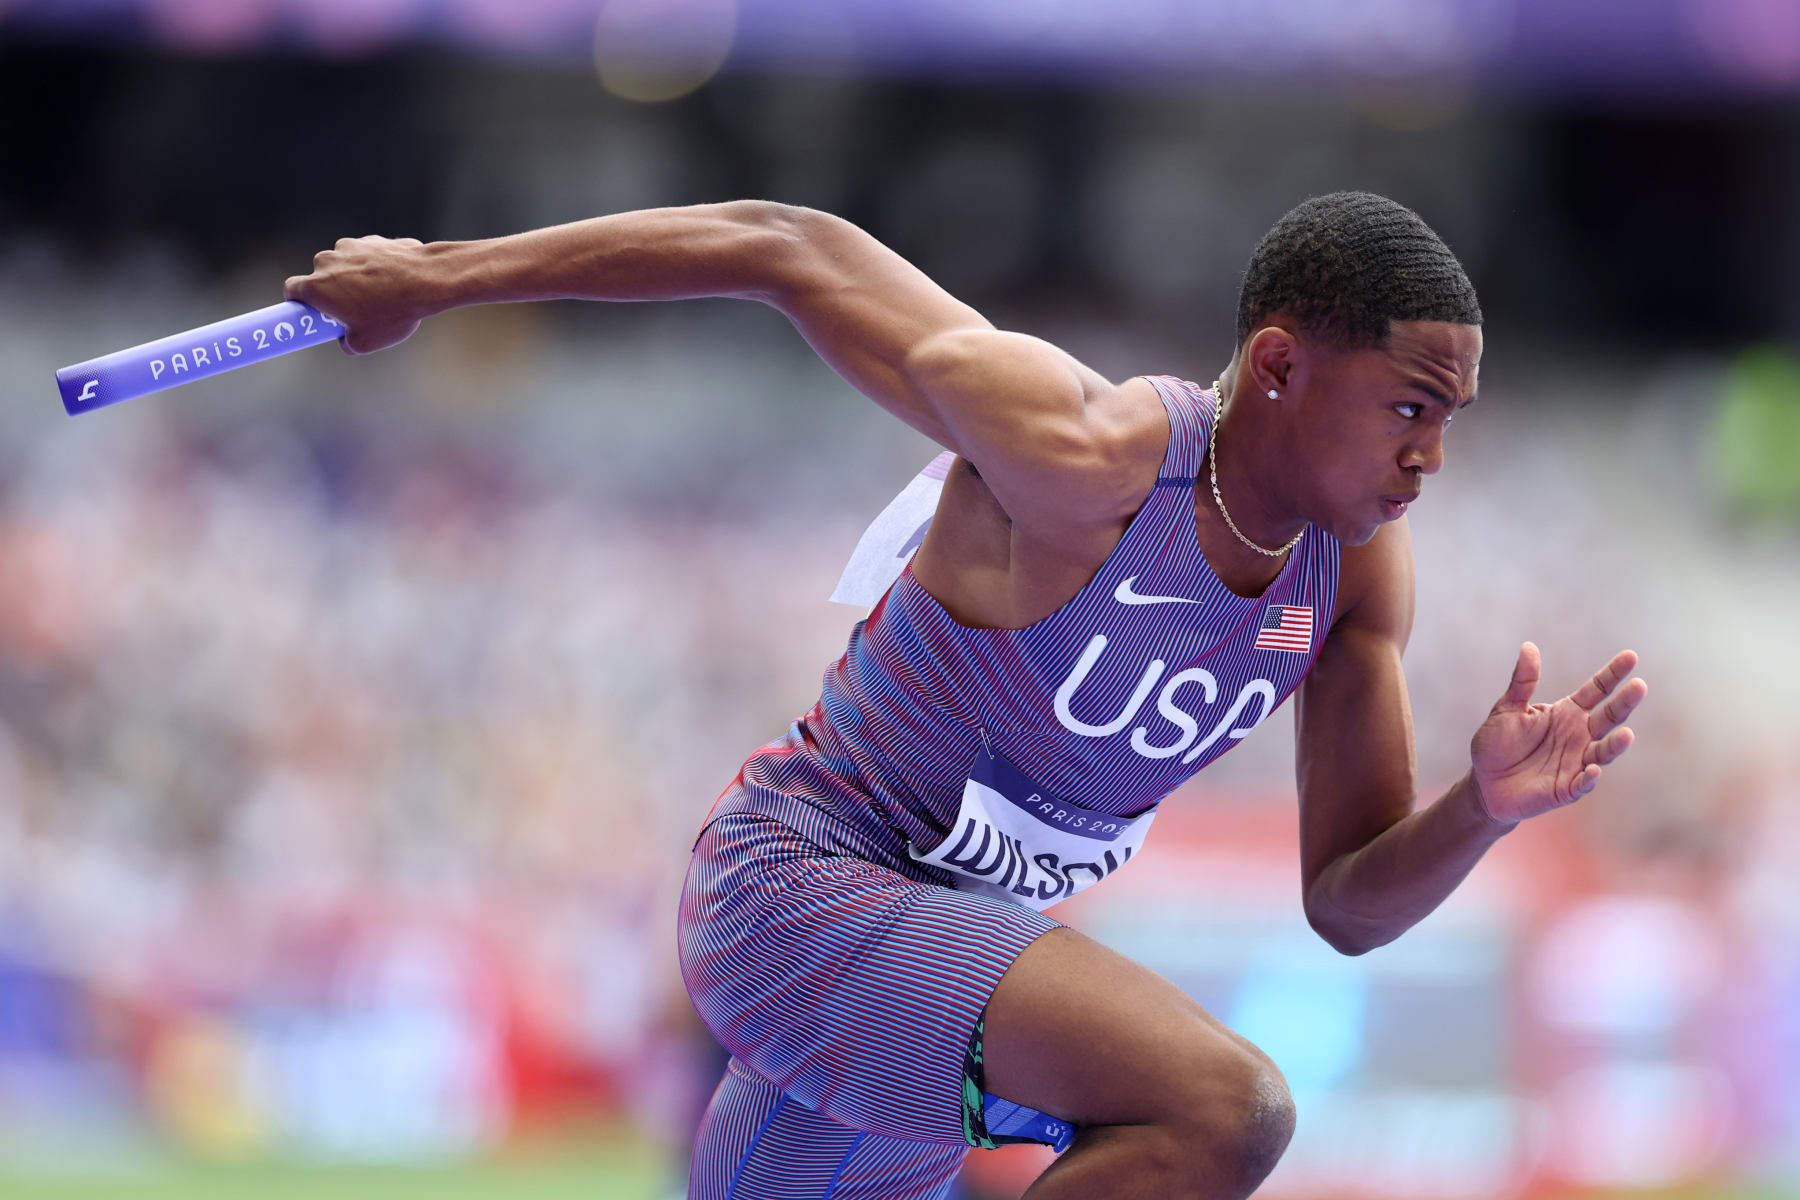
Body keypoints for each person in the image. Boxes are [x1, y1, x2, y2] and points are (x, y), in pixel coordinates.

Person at [285, 190, 1648, 1200]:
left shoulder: (1353, 577)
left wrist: (1479, 809)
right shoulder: (1090, 454)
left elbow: (1346, 899)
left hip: (929, 976)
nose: (1432, 458)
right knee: (1226, 1109)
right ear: (1283, 366)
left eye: (1451, 422)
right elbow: (787, 248)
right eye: (1411, 407)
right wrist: (437, 278)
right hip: (796, 892)